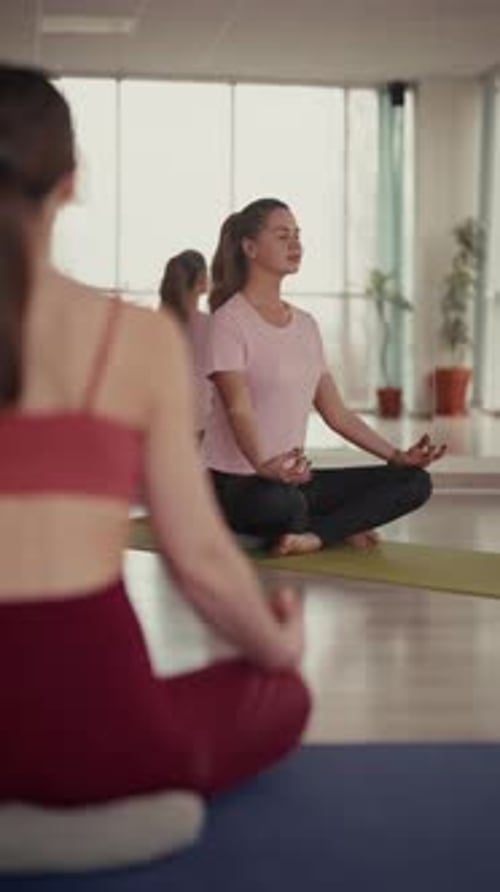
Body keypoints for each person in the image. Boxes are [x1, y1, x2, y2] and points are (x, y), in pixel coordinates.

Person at [0, 66, 310, 808]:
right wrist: (279, 645)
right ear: (69, 183)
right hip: (99, 737)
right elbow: (198, 557)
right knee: (282, 694)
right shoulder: (135, 341)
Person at [204, 198, 446, 556]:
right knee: (285, 506)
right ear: (250, 247)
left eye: (298, 235)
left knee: (415, 483)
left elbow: (339, 415)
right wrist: (264, 465)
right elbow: (239, 408)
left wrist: (397, 456)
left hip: (293, 481)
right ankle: (335, 526)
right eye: (283, 235)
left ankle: (312, 537)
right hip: (237, 483)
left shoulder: (305, 326)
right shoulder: (229, 321)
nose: (295, 243)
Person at [159, 250, 212, 438]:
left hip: (160, 421)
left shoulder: (153, 324)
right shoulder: (213, 327)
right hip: (201, 425)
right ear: (201, 282)